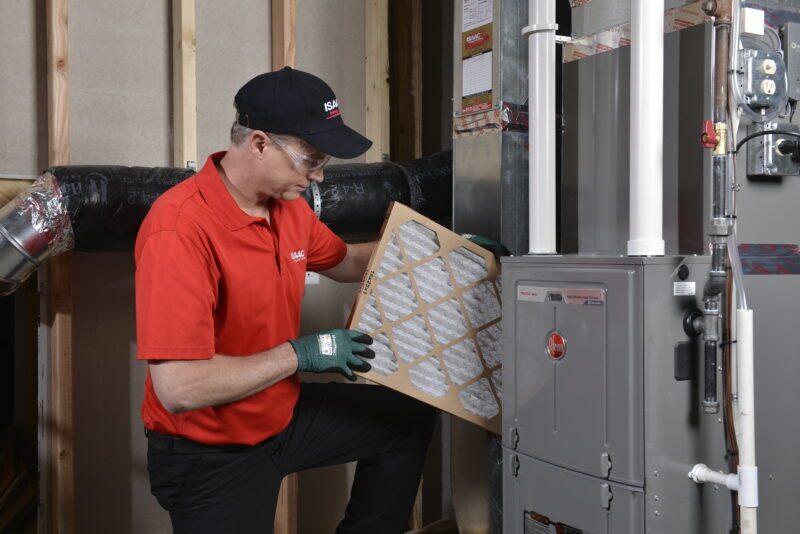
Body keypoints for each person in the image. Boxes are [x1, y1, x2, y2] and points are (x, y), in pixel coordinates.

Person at [135, 67, 436, 534]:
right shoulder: (179, 228)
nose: (318, 176)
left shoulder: (288, 209)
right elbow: (179, 388)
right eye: (310, 159)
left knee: (406, 420)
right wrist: (300, 355)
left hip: (279, 413)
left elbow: (348, 261)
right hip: (210, 451)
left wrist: (441, 254)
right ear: (259, 143)